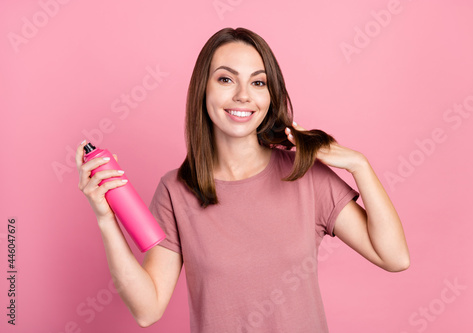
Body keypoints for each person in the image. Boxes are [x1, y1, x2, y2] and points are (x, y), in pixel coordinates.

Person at [76, 27, 410, 332]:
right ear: (202, 89)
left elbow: (394, 258)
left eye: (258, 82)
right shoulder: (176, 190)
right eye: (225, 79)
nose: (243, 95)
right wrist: (106, 219)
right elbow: (147, 310)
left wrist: (360, 166)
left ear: (270, 95)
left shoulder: (305, 175)